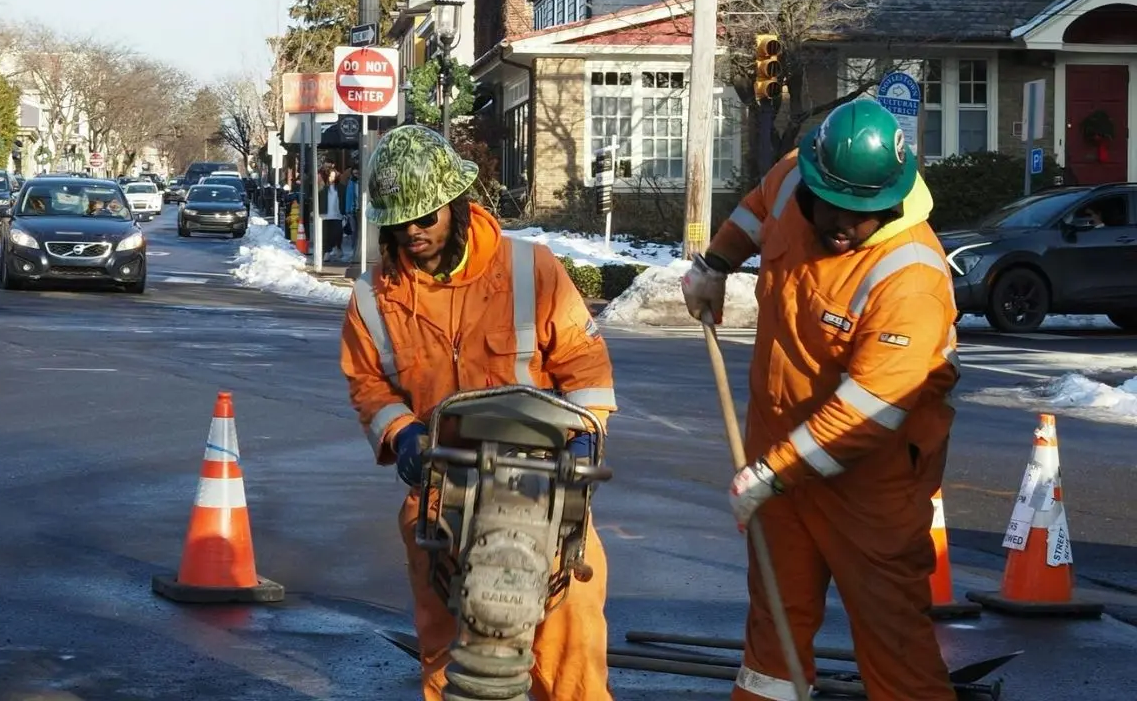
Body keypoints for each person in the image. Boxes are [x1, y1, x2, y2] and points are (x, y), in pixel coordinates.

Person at [681, 98, 961, 701]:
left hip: (870, 484)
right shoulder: (790, 180)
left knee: (893, 638)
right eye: (832, 209)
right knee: (773, 633)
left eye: (862, 217)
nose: (843, 227)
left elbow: (870, 410)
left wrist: (772, 473)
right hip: (777, 461)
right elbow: (758, 212)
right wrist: (718, 262)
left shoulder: (912, 276)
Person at [339, 124, 617, 701]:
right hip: (443, 484)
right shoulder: (374, 296)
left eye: (426, 217)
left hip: (539, 483)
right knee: (447, 641)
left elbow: (584, 366)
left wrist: (587, 433)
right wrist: (402, 432)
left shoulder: (529, 270)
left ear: (457, 206)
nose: (413, 232)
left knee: (568, 631)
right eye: (401, 221)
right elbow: (366, 381)